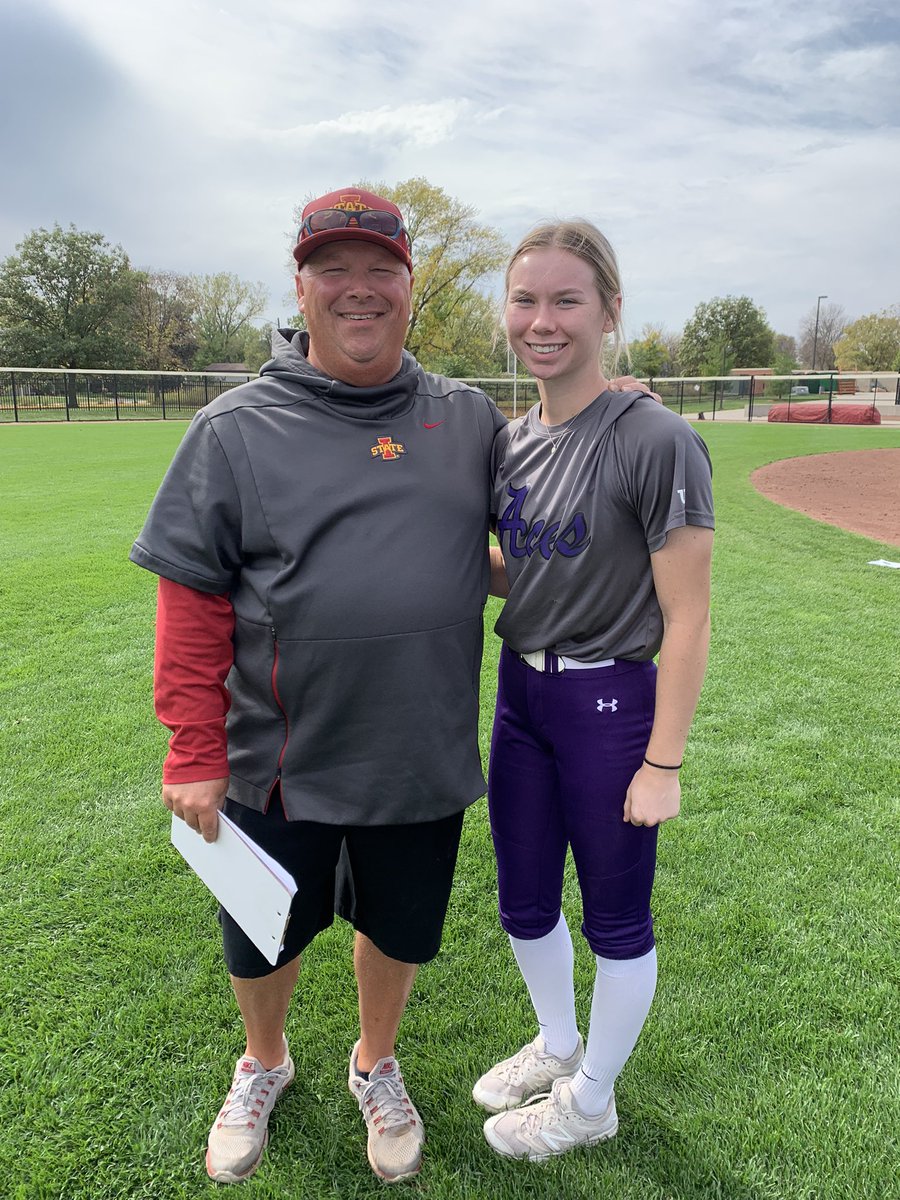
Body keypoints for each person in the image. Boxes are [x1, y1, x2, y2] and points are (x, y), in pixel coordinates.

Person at [130, 187, 507, 1185]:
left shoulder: (467, 418)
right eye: (333, 267)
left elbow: (543, 515)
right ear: (299, 283)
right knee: (261, 930)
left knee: (399, 927)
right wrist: (193, 749)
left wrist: (612, 410)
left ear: (410, 287)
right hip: (274, 757)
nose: (358, 288)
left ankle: (374, 1063)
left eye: (380, 268)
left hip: (418, 749)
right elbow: (192, 600)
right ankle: (264, 1062)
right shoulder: (232, 429)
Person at [473, 219, 714, 1162]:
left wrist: (664, 761)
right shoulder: (511, 440)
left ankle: (594, 1098)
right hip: (522, 695)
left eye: (567, 299)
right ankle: (560, 1045)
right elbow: (526, 570)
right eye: (526, 300)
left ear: (609, 311)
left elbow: (687, 615)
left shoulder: (654, 437)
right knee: (523, 899)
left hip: (610, 704)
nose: (543, 320)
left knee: (616, 914)